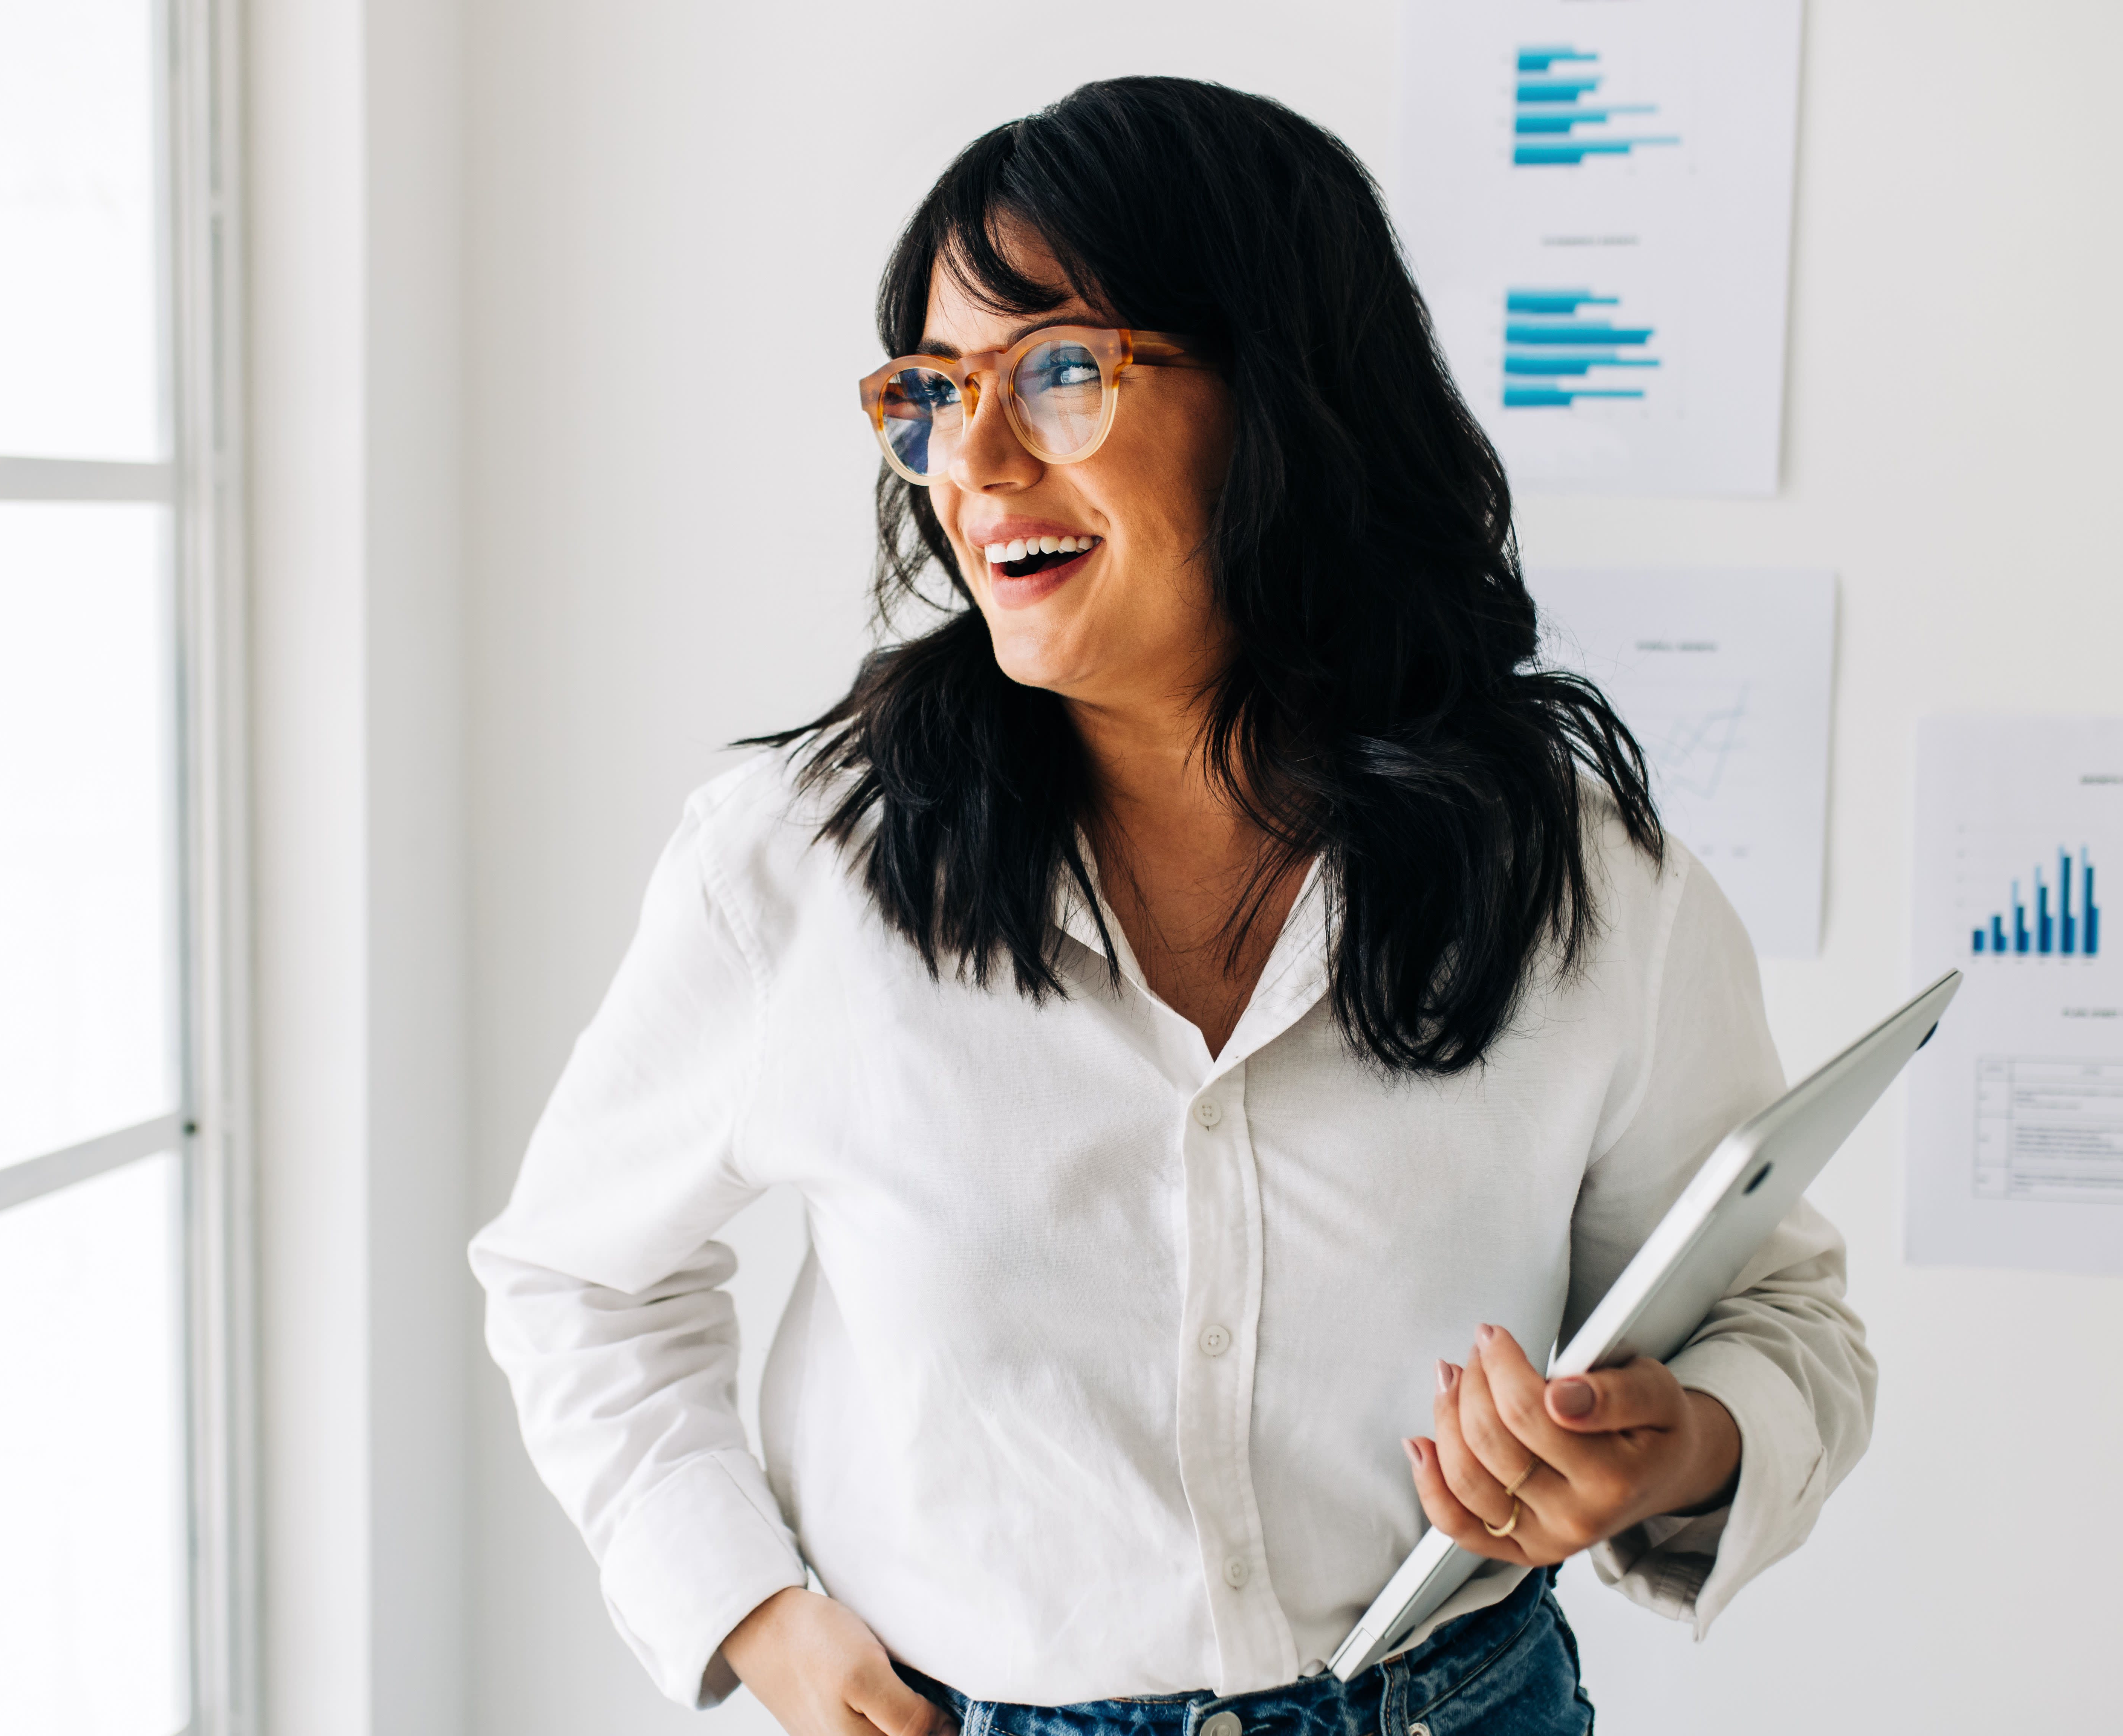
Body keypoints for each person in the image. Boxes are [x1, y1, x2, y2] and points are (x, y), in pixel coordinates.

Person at [471, 76, 1874, 1736]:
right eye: (936, 391)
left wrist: (1677, 1442)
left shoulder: (1569, 872)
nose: (975, 464)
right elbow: (575, 1276)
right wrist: (749, 1608)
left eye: (1060, 370)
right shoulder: (799, 864)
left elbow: (1779, 1317)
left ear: (1284, 399)